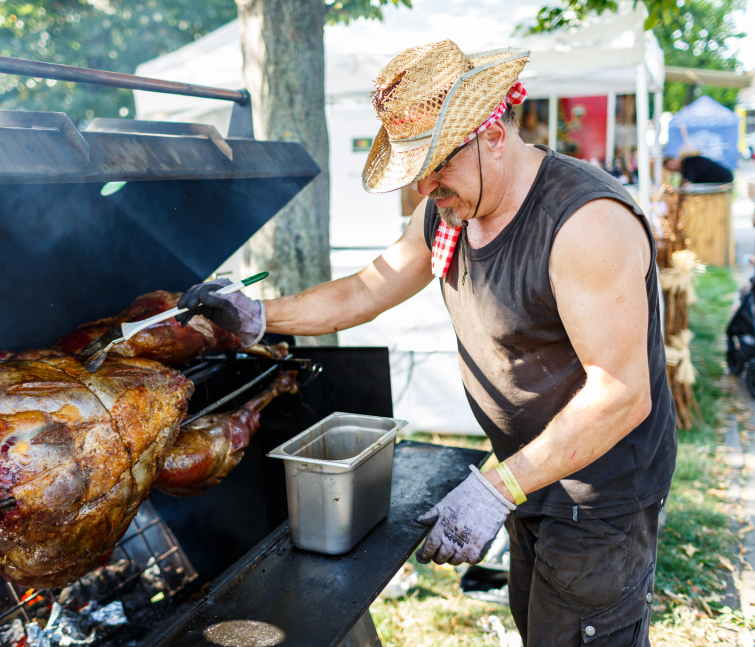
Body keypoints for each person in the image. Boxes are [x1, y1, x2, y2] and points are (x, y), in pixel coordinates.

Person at [177, 40, 676, 646]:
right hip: (531, 470)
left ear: (492, 131)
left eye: (437, 163)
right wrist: (257, 317)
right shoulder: (452, 209)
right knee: (542, 626)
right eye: (418, 170)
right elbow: (367, 289)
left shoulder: (583, 224)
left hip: (601, 492)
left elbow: (622, 394)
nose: (425, 188)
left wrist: (495, 489)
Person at [663, 154, 733, 185]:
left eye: (671, 164)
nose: (672, 167)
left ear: (675, 159)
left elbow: (688, 183)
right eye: (669, 167)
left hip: (723, 179)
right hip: (723, 179)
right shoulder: (686, 166)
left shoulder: (688, 164)